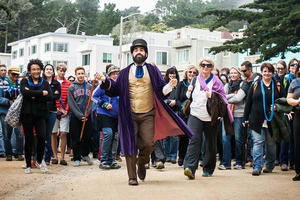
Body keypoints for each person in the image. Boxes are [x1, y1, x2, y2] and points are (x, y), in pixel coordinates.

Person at [96, 39, 193, 186]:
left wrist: (170, 86)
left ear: (146, 53)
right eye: (136, 50)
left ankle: (142, 163)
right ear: (132, 54)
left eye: (141, 50)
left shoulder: (153, 71)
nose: (138, 52)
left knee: (148, 144)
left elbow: (161, 91)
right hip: (129, 114)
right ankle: (132, 177)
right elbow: (115, 90)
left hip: (148, 113)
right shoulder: (124, 72)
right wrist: (105, 81)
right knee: (130, 144)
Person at [183, 59, 233, 179]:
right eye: (203, 65)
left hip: (211, 116)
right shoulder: (195, 79)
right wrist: (188, 92)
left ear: (211, 67)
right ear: (200, 67)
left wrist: (213, 95)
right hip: (195, 114)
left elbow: (223, 98)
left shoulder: (217, 81)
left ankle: (208, 168)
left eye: (208, 65)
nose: (205, 67)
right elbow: (188, 97)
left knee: (210, 143)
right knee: (194, 139)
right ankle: (190, 167)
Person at [243, 63, 284, 176]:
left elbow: (284, 100)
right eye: (264, 71)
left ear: (273, 72)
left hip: (273, 120)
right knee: (257, 142)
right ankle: (257, 166)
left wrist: (277, 107)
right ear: (261, 72)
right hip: (256, 119)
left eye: (269, 71)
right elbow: (249, 102)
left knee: (271, 144)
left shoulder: (278, 85)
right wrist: (245, 118)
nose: (267, 73)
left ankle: (270, 165)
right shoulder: (255, 84)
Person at [20, 59, 53, 174]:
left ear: (41, 70)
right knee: (28, 140)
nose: (36, 71)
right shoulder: (24, 81)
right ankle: (29, 164)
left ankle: (39, 160)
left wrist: (33, 95)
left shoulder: (44, 83)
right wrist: (41, 93)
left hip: (41, 114)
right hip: (27, 114)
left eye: (38, 69)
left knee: (42, 137)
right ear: (30, 70)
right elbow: (25, 93)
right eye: (33, 69)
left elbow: (50, 96)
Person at [93, 64, 121, 170]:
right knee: (108, 134)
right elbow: (93, 97)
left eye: (117, 74)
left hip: (116, 116)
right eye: (113, 74)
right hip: (104, 114)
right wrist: (103, 104)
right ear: (109, 75)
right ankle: (103, 160)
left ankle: (111, 160)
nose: (115, 76)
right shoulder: (103, 85)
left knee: (114, 137)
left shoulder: (120, 86)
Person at [219, 67, 245, 170]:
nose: (233, 75)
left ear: (239, 74)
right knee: (226, 139)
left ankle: (239, 162)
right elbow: (222, 98)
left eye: (235, 73)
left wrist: (227, 97)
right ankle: (226, 163)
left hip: (239, 114)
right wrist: (231, 96)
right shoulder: (226, 85)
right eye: (231, 73)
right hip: (227, 114)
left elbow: (238, 98)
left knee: (238, 139)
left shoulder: (243, 85)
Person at [68, 66, 94, 167]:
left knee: (87, 137)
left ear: (85, 74)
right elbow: (71, 103)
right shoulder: (72, 87)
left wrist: (87, 114)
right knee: (75, 137)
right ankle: (77, 157)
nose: (80, 75)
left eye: (82, 73)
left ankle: (85, 154)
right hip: (75, 117)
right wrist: (79, 116)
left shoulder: (89, 86)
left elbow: (91, 101)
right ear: (76, 75)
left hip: (87, 117)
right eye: (78, 74)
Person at [176, 65, 199, 166]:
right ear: (186, 73)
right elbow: (177, 99)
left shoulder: (198, 84)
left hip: (194, 112)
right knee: (183, 136)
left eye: (194, 73)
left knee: (193, 137)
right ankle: (181, 157)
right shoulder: (181, 84)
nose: (192, 74)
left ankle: (192, 159)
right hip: (183, 113)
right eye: (190, 72)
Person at [0, 66, 24, 161]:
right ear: (9, 74)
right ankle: (8, 154)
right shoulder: (2, 84)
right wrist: (8, 101)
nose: (15, 76)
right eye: (13, 74)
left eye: (17, 74)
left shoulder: (20, 84)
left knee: (19, 133)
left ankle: (19, 153)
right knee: (7, 134)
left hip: (17, 112)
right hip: (5, 112)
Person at [51, 63, 71, 165]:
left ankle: (62, 157)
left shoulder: (68, 84)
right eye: (60, 70)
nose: (62, 72)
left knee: (63, 133)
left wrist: (66, 110)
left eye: (63, 71)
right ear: (57, 71)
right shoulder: (52, 82)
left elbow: (69, 99)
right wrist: (55, 108)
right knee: (53, 133)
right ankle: (55, 156)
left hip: (64, 111)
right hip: (54, 110)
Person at [42, 64, 61, 165]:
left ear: (53, 72)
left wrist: (44, 95)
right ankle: (39, 157)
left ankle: (47, 158)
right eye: (47, 69)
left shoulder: (56, 83)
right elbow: (39, 95)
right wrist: (51, 95)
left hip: (52, 111)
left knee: (48, 134)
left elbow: (57, 97)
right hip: (41, 111)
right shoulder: (40, 82)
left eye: (50, 69)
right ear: (44, 71)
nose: (49, 71)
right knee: (41, 134)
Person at [163, 67, 180, 165]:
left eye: (174, 74)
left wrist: (175, 102)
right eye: (170, 73)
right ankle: (166, 155)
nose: (172, 75)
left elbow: (181, 98)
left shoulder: (179, 85)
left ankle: (173, 156)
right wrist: (168, 101)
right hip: (165, 111)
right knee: (166, 135)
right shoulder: (164, 84)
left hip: (175, 111)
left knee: (174, 135)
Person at [287, 63, 300, 181]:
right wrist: (297, 102)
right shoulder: (295, 82)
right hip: (298, 114)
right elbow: (289, 99)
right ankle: (299, 171)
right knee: (298, 143)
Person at [0, 64, 7, 157]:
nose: (3, 72)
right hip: (4, 107)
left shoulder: (7, 82)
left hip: (4, 111)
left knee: (4, 132)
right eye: (1, 70)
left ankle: (2, 151)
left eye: (4, 70)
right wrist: (8, 101)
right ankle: (1, 151)